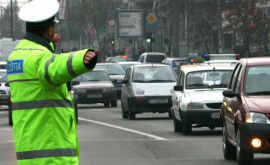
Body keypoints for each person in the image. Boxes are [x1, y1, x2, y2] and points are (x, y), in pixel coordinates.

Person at [7, 0, 98, 164]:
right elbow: (54, 67)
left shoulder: (17, 55)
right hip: (51, 155)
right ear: (50, 29)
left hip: (29, 150)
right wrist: (82, 58)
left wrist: (48, 46)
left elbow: (39, 71)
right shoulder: (41, 57)